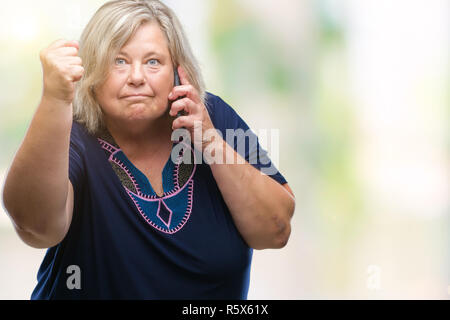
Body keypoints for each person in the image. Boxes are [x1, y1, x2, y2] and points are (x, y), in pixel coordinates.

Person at [2, 0, 295, 299]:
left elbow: (276, 231)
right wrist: (55, 98)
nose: (137, 77)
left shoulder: (212, 116)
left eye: (153, 61)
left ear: (179, 72)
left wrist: (209, 140)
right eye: (119, 61)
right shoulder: (71, 130)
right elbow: (36, 227)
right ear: (90, 73)